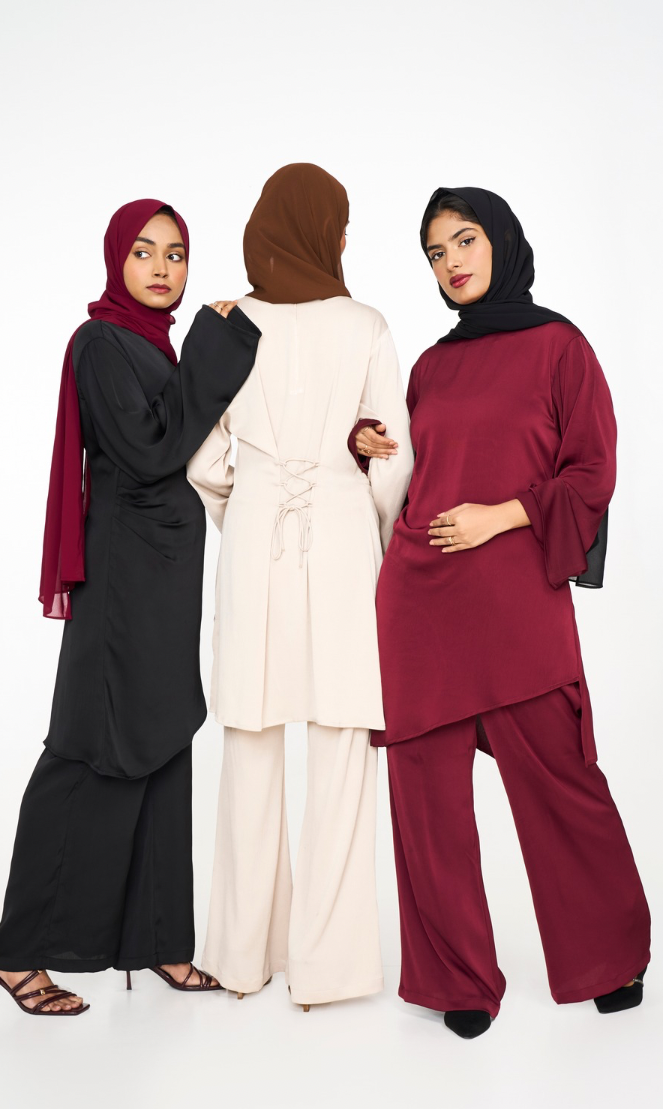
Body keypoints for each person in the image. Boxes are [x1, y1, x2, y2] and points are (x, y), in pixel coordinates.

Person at [354, 186, 650, 1039]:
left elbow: (592, 471)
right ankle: (457, 978)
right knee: (428, 800)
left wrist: (503, 515)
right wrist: (366, 445)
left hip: (515, 602)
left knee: (562, 780)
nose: (451, 262)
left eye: (465, 240)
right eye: (435, 252)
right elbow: (410, 472)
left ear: (502, 241)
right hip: (420, 603)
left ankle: (609, 956)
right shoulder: (430, 367)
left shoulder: (560, 347)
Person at [0, 199, 260, 1015]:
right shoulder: (100, 342)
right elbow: (148, 450)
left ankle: (161, 940)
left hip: (165, 576)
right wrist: (212, 348)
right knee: (87, 748)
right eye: (144, 252)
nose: (163, 268)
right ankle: (17, 953)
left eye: (176, 253)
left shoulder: (154, 345)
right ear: (116, 260)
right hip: (122, 582)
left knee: (166, 736)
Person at [187, 164, 413, 1010]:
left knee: (249, 740)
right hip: (342, 538)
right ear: (327, 232)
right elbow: (393, 456)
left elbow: (203, 460)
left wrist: (244, 513)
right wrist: (374, 530)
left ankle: (241, 958)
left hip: (256, 540)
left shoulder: (228, 323)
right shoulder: (366, 325)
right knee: (341, 745)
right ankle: (330, 970)